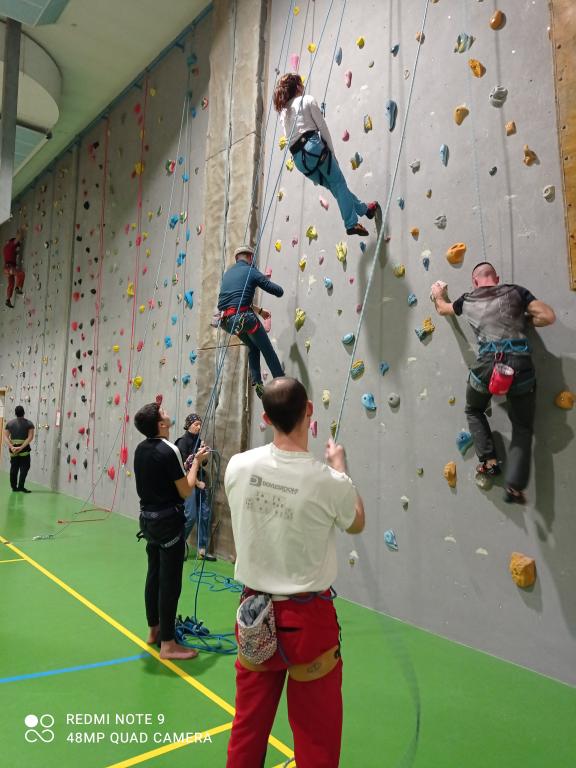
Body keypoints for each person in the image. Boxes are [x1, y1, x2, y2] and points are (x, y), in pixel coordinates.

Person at [225, 377, 365, 767]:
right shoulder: (329, 481)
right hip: (308, 621)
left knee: (247, 728)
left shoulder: (238, 466)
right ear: (309, 411)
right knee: (316, 739)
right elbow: (356, 522)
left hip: (254, 613)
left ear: (266, 418)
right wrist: (341, 469)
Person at [430, 262, 556, 504]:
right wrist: (525, 320)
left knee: (474, 409)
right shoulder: (517, 292)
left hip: (487, 366)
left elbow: (443, 309)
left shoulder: (467, 299)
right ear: (496, 278)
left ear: (475, 281)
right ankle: (514, 488)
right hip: (520, 366)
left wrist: (438, 294)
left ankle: (488, 461)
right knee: (522, 427)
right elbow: (547, 317)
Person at [134, 401, 210, 659]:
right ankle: (168, 644)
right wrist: (197, 463)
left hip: (148, 521)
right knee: (170, 582)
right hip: (168, 525)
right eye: (163, 413)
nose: (167, 412)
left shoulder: (140, 449)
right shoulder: (170, 450)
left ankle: (154, 631)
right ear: (161, 424)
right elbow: (186, 489)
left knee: (153, 574)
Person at [273, 72, 379, 236]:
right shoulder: (306, 100)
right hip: (313, 149)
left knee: (337, 188)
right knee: (339, 183)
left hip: (300, 161)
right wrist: (332, 153)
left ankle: (365, 210)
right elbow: (322, 128)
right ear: (298, 86)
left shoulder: (283, 114)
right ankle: (351, 223)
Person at [217, 245, 284, 397]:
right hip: (244, 319)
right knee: (268, 351)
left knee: (253, 347)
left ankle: (258, 384)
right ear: (250, 257)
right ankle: (283, 385)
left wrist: (260, 311)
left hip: (227, 323)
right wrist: (278, 288)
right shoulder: (250, 271)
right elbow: (277, 291)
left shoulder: (227, 274)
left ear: (237, 258)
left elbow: (237, 301)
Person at [175, 413, 216, 561]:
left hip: (201, 479)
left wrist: (205, 456)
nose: (198, 427)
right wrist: (197, 483)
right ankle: (178, 545)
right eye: (195, 424)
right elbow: (184, 466)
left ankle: (202, 550)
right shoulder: (182, 442)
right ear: (188, 425)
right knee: (190, 516)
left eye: (200, 424)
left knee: (204, 515)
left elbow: (202, 463)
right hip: (188, 481)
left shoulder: (199, 441)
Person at [4, 405, 35, 492]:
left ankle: (14, 487)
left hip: (13, 449)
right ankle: (21, 486)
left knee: (14, 468)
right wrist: (21, 447)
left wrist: (12, 446)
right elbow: (30, 437)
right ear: (24, 413)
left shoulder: (9, 424)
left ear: (15, 413)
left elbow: (5, 437)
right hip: (24, 449)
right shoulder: (29, 423)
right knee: (24, 468)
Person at [3, 230, 25, 308]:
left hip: (6, 269)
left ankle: (8, 300)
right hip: (9, 267)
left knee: (11, 283)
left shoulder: (5, 248)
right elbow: (16, 240)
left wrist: (17, 252)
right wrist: (21, 231)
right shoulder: (10, 245)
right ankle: (18, 287)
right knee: (21, 274)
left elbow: (14, 253)